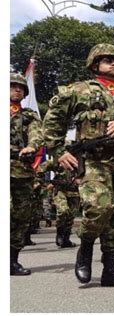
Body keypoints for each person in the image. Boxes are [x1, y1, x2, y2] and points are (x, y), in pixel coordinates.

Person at [43, 43, 114, 287]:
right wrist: (58, 151)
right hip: (94, 160)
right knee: (97, 207)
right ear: (95, 65)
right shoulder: (78, 90)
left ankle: (111, 270)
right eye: (107, 60)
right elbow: (53, 121)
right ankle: (85, 249)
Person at [10, 72, 44, 276]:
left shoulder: (29, 116)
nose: (17, 89)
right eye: (13, 86)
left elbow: (36, 133)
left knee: (21, 216)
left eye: (21, 87)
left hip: (20, 171)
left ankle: (12, 260)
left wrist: (31, 146)